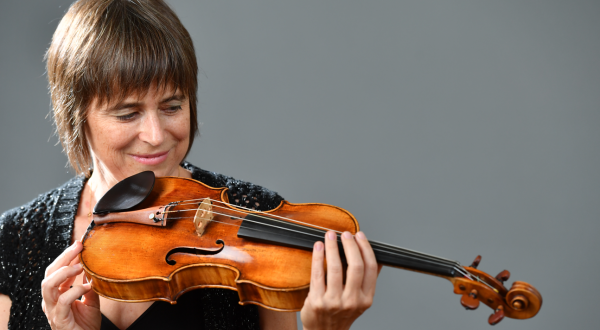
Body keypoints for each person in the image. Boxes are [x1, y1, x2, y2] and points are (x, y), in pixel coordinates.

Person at [0, 0, 380, 329]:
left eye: (172, 106)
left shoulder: (252, 214)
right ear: (76, 115)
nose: (155, 134)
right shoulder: (16, 241)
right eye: (128, 113)